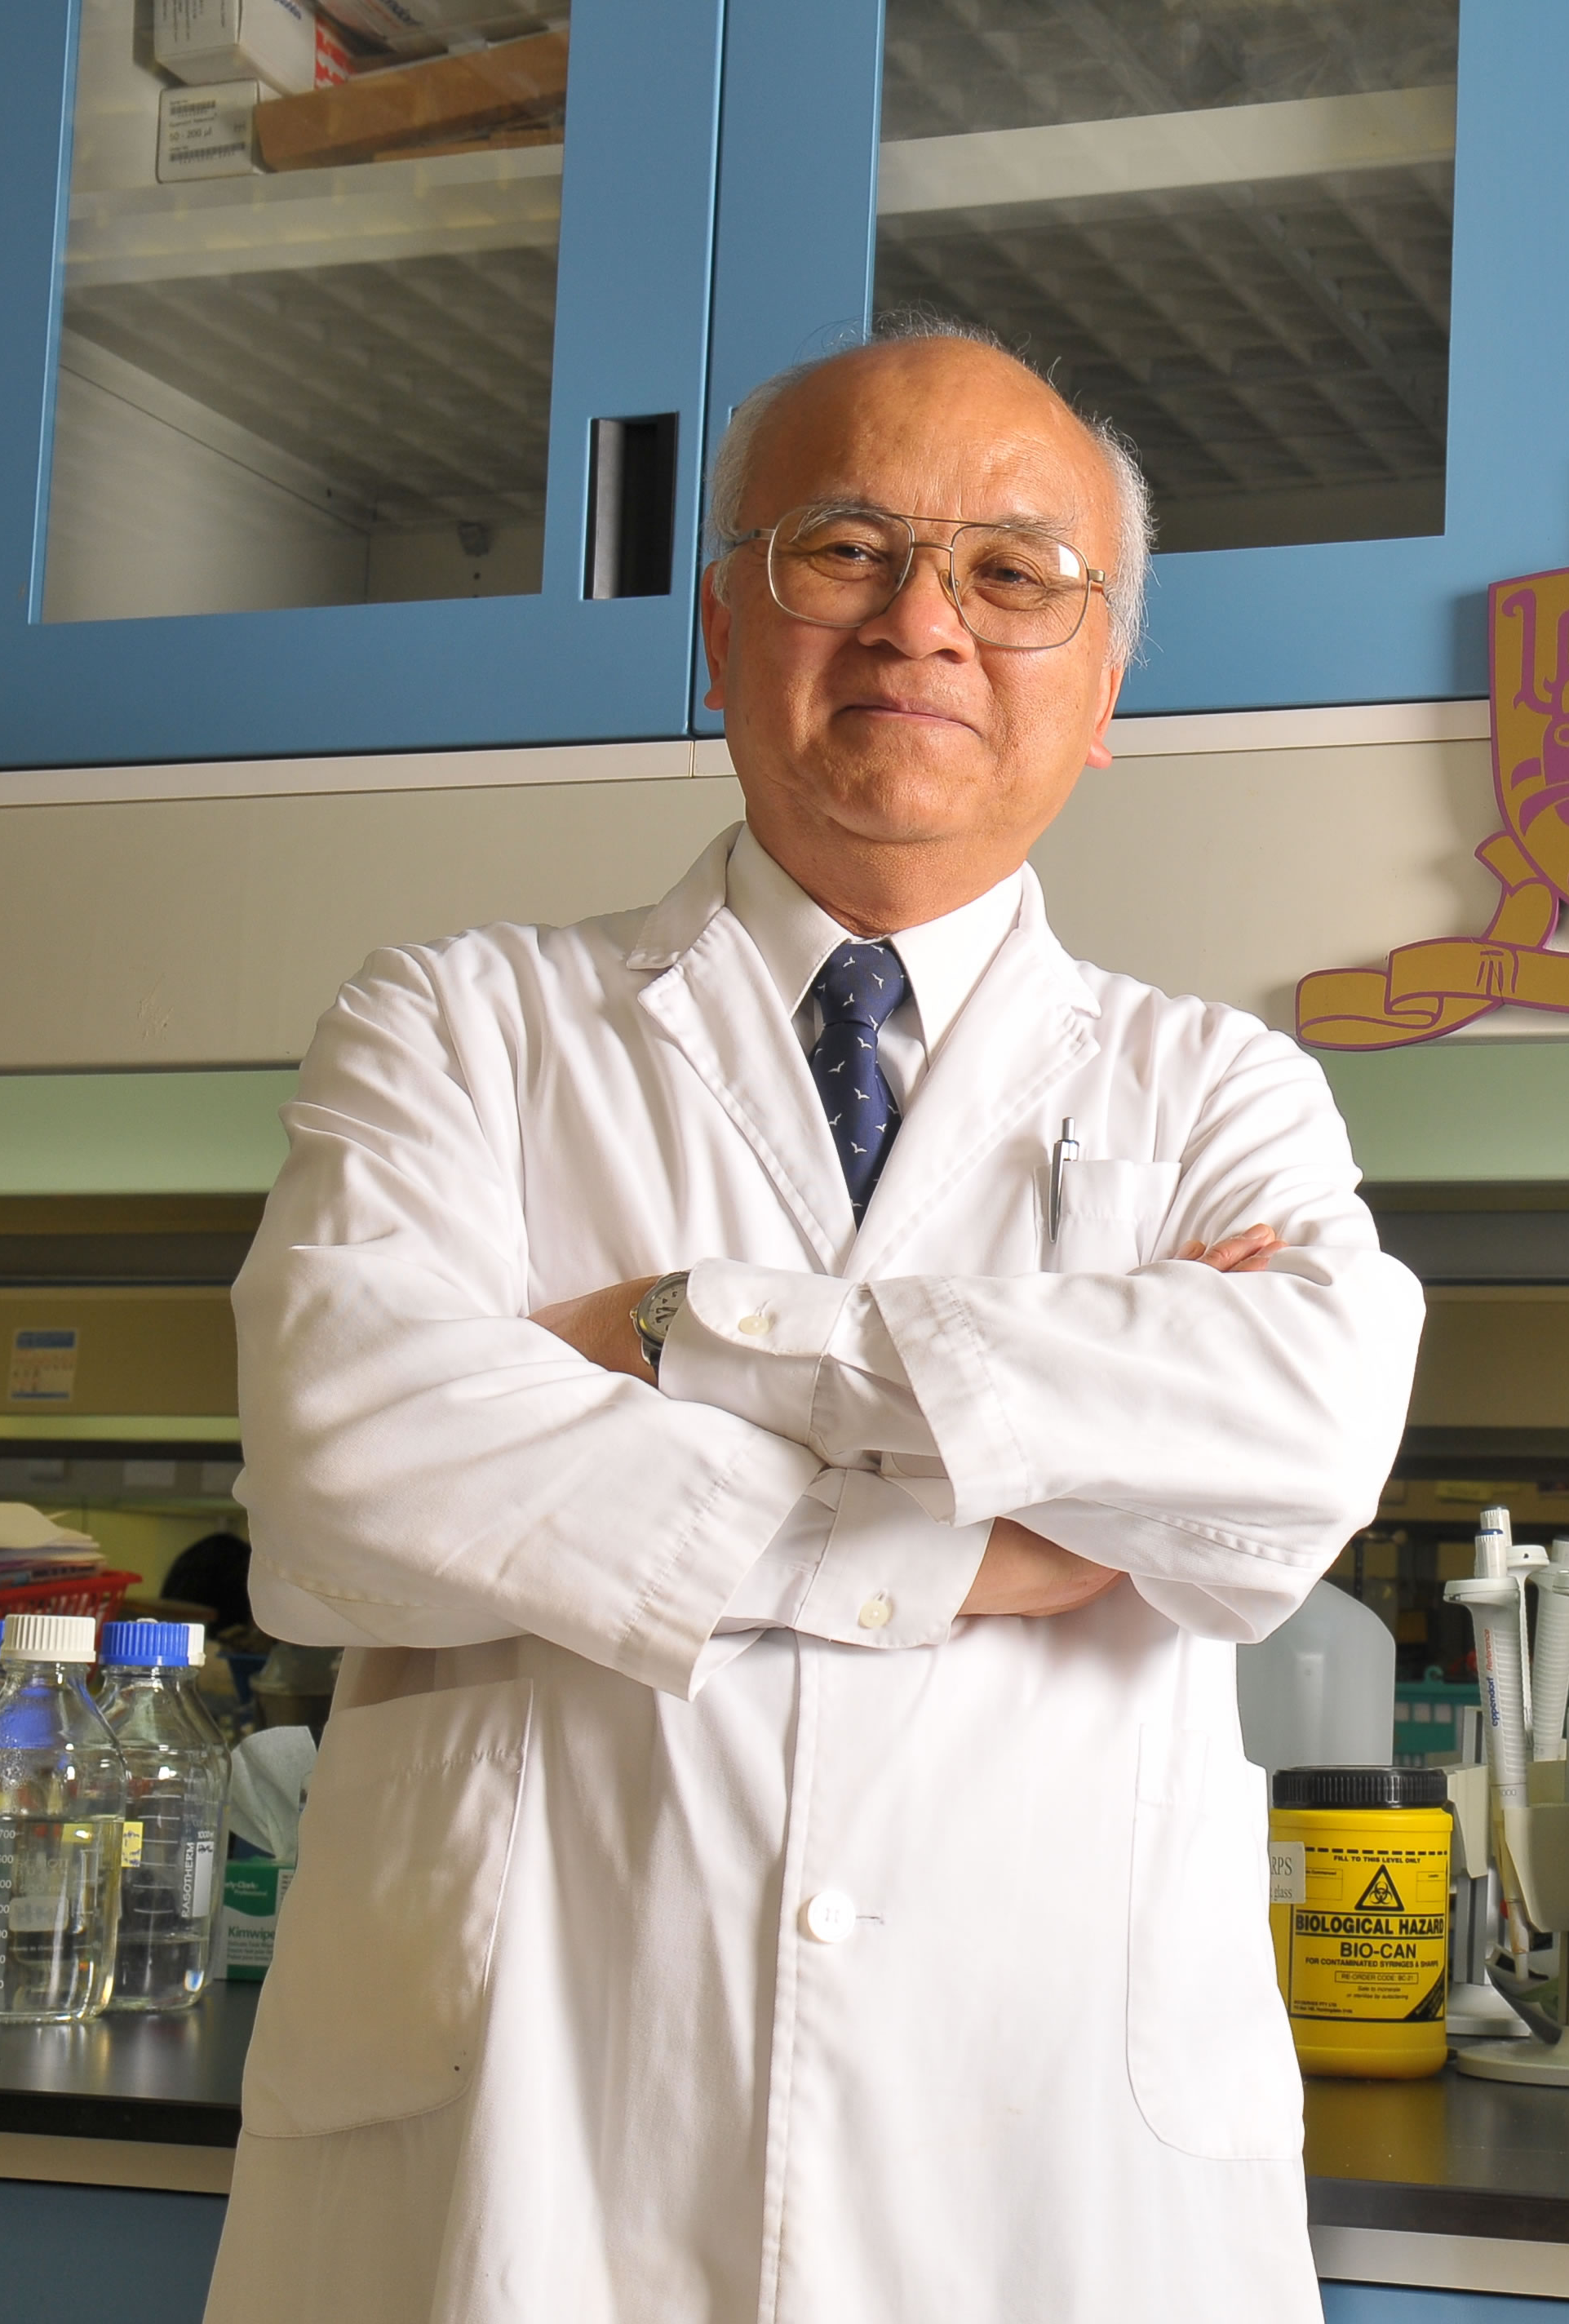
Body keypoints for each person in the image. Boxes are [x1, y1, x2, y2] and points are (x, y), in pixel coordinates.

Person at [207, 324, 1425, 2324]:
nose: (921, 624)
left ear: (1103, 685)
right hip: (524, 2160)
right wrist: (984, 1531)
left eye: (1011, 574)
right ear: (720, 626)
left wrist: (680, 1327)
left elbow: (1289, 1456)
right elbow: (349, 1466)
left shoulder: (1219, 1090)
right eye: (844, 549)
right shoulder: (458, 1023)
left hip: (1042, 2190)